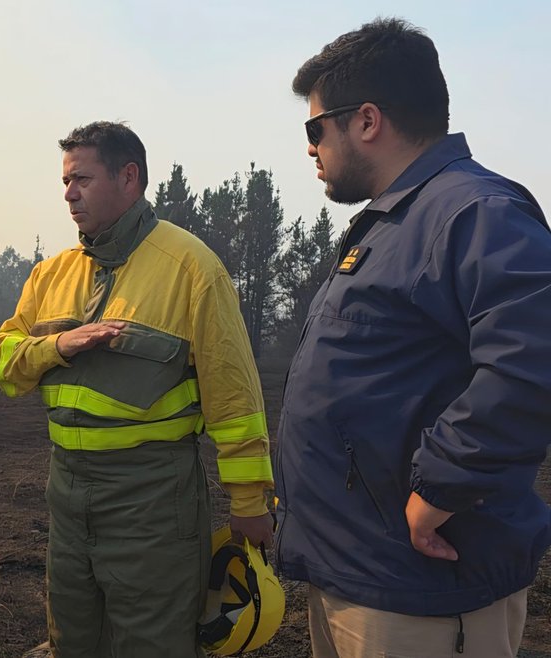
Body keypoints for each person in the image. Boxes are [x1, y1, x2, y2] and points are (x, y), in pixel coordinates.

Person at [275, 18, 551, 658]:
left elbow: (533, 360)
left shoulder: (474, 211)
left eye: (315, 129)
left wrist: (441, 487)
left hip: (423, 591)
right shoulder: (393, 225)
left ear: (367, 121)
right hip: (361, 574)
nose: (310, 149)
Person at [0, 121, 274, 657]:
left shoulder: (192, 269)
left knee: (153, 643)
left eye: (82, 180)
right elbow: (4, 365)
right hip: (66, 495)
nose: (69, 194)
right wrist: (58, 346)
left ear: (129, 176)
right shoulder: (50, 275)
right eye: (65, 182)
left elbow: (234, 398)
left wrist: (249, 502)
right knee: (72, 638)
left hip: (152, 499)